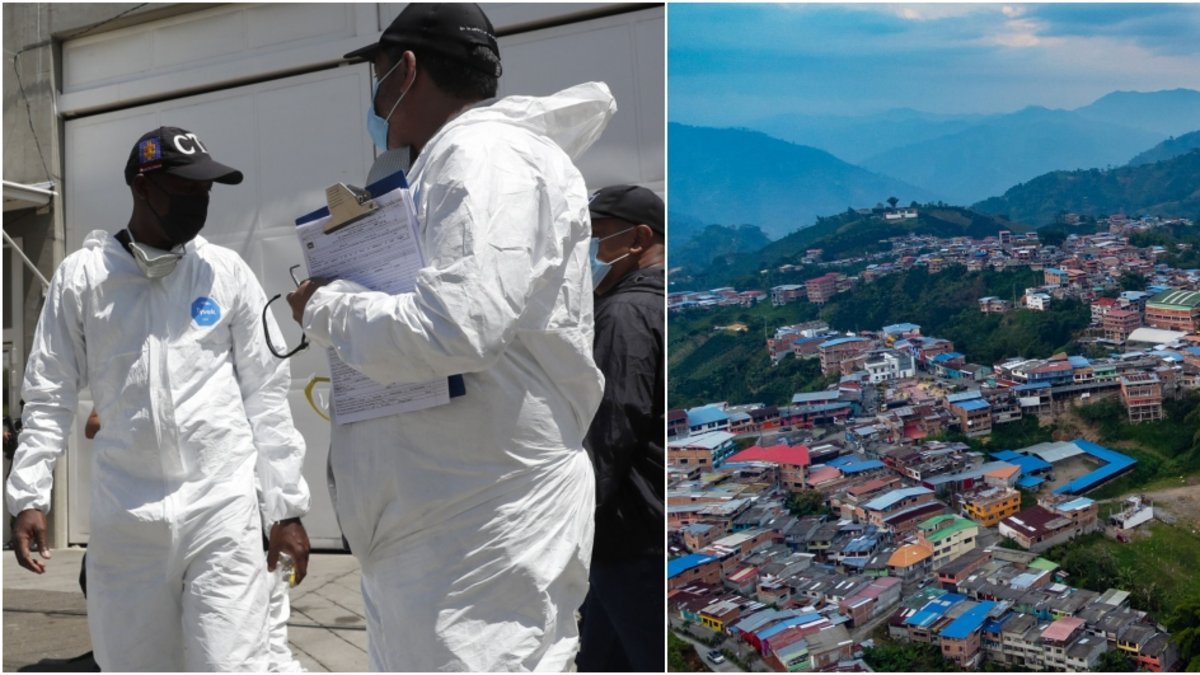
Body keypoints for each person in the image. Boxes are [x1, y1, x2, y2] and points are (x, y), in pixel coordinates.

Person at [285, 3, 615, 670]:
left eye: (376, 76)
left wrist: (329, 306)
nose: (374, 100)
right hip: (445, 529)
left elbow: (456, 327)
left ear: (406, 70)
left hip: (480, 528)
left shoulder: (484, 156)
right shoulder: (450, 166)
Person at [6, 127, 311, 671]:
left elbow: (266, 395)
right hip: (128, 521)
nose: (199, 203)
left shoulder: (224, 273)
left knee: (230, 665)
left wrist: (285, 507)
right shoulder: (85, 279)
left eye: (206, 192)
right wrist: (29, 493)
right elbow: (49, 393)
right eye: (185, 190)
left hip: (221, 508)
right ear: (142, 187)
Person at [575, 185, 666, 672]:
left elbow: (607, 434)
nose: (585, 253)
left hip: (629, 537)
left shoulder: (624, 315)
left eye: (596, 237)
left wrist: (569, 524)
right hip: (638, 532)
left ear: (640, 239)